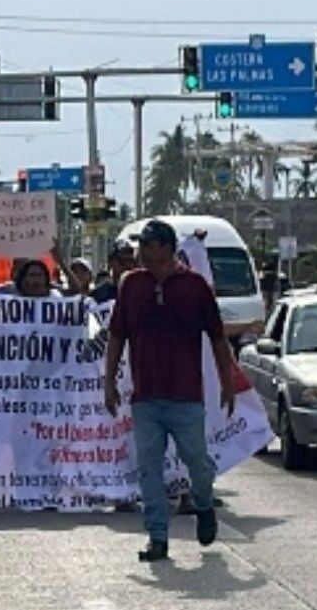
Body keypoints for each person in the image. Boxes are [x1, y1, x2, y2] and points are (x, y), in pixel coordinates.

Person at [103, 220, 235, 562]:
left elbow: (218, 338)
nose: (141, 252)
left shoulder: (195, 286)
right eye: (140, 246)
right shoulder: (131, 285)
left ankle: (204, 506)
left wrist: (227, 381)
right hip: (145, 395)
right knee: (149, 467)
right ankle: (157, 537)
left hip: (185, 395)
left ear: (165, 247)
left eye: (147, 245)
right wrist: (109, 382)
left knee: (198, 463)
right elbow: (117, 335)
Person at [91, 240, 138, 304]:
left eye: (130, 261)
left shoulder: (140, 292)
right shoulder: (98, 294)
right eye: (122, 261)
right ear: (110, 262)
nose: (127, 266)